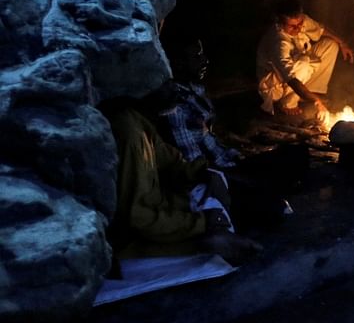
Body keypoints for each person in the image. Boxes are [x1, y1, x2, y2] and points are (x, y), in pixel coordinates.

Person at [158, 37, 307, 226]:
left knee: (297, 153)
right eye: (196, 57)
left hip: (229, 163)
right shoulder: (175, 105)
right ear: (177, 64)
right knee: (270, 203)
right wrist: (242, 176)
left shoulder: (193, 87)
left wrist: (239, 157)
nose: (205, 60)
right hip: (217, 177)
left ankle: (263, 189)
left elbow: (212, 141)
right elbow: (197, 167)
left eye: (202, 54)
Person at [105, 100, 260, 265]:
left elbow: (171, 163)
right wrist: (203, 222)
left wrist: (203, 172)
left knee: (243, 196)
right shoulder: (128, 133)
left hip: (163, 205)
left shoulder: (136, 119)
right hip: (131, 242)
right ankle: (208, 241)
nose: (173, 91)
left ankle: (217, 233)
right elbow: (137, 217)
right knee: (233, 218)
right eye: (165, 84)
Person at [256, 0, 354, 117]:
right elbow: (291, 79)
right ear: (279, 22)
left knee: (330, 45)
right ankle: (288, 103)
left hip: (299, 68)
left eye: (300, 24)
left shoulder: (300, 20)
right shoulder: (279, 43)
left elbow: (321, 30)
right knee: (304, 62)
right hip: (275, 87)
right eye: (292, 26)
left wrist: (342, 43)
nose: (298, 29)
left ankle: (311, 92)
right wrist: (317, 102)